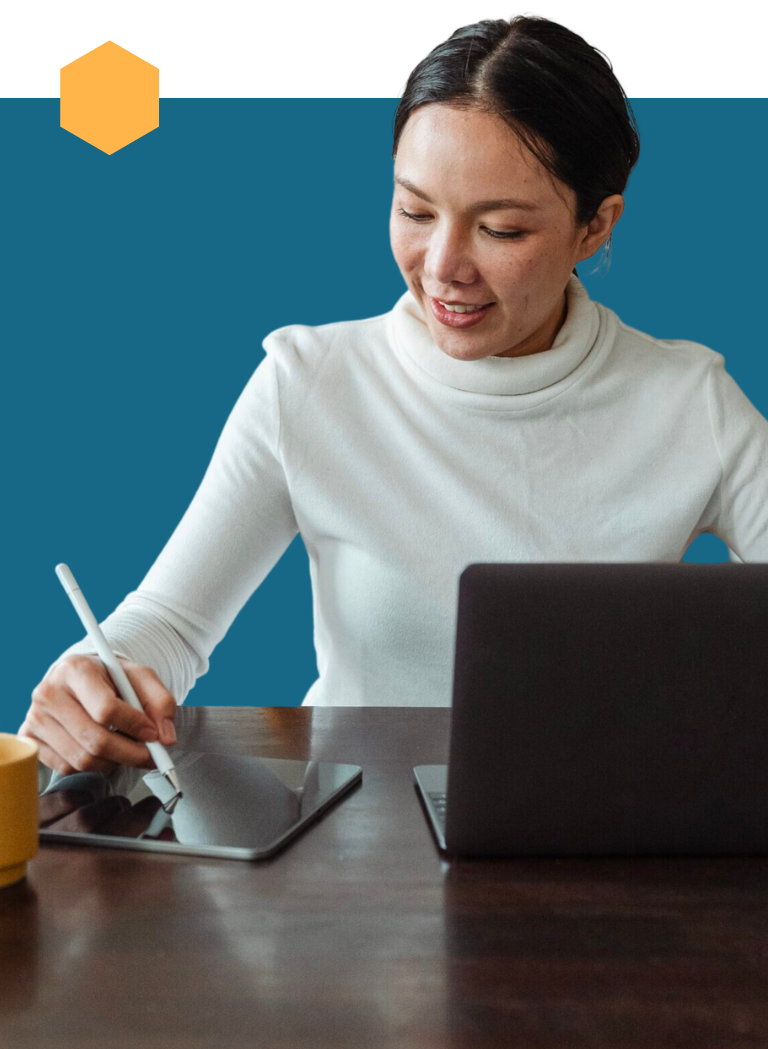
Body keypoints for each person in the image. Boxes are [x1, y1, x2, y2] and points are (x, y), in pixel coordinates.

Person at [22, 12, 768, 786]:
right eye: (415, 211)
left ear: (594, 227)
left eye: (502, 230)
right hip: (353, 857)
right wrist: (95, 676)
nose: (443, 266)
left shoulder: (690, 402)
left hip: (605, 846)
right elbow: (171, 622)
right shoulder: (307, 381)